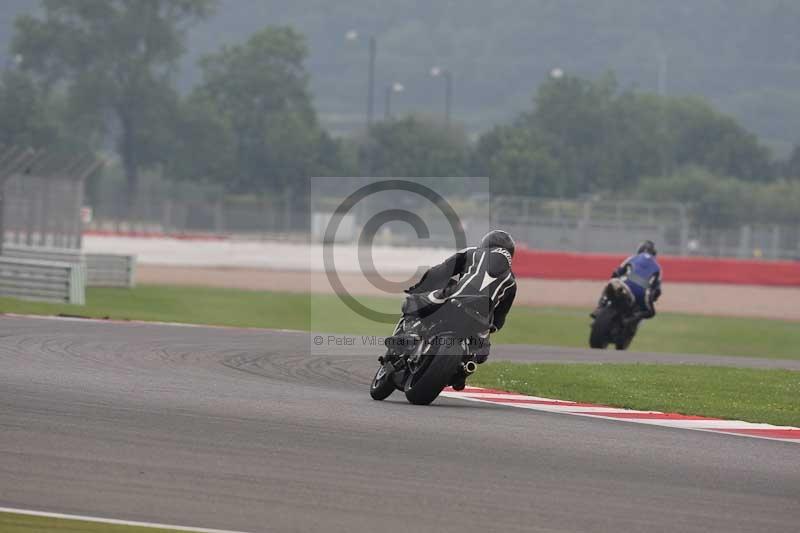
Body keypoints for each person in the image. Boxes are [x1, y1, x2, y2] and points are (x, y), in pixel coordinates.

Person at [394, 230, 518, 390]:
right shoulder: (512, 282)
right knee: (480, 353)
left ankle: (409, 337)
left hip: (454, 300)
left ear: (485, 244)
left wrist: (419, 288)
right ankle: (462, 370)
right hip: (480, 321)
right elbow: (499, 319)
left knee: (412, 302)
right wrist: (491, 328)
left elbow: (439, 271)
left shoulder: (473, 253)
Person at [599, 240, 662, 326]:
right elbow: (657, 290)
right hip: (642, 291)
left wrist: (615, 281)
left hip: (625, 282)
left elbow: (617, 272)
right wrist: (652, 298)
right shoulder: (658, 267)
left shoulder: (632, 258)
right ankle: (630, 321)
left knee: (609, 286)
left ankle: (600, 307)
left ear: (640, 249)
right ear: (654, 253)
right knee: (651, 312)